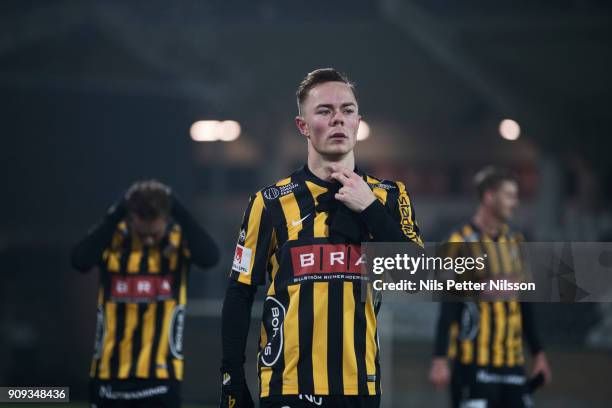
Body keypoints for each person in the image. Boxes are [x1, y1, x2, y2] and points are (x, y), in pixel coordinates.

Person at [219, 68, 423, 408]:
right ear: (303, 126)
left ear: (358, 121)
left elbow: (416, 276)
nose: (338, 120)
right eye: (325, 111)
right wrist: (232, 377)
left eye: (347, 111)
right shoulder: (269, 203)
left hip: (360, 388)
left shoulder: (389, 197)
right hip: (287, 386)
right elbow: (239, 293)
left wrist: (369, 209)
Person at [71, 180, 220, 408]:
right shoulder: (113, 239)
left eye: (155, 233)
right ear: (130, 218)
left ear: (167, 218)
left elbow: (211, 257)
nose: (149, 239)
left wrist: (177, 206)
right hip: (109, 375)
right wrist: (117, 211)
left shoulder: (179, 240)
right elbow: (79, 261)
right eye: (143, 233)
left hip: (161, 378)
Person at [429, 167, 552, 408]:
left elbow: (524, 303)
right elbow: (448, 307)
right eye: (509, 196)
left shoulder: (516, 242)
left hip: (512, 365)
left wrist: (538, 353)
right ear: (489, 196)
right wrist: (440, 358)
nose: (515, 203)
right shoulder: (458, 243)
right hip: (473, 365)